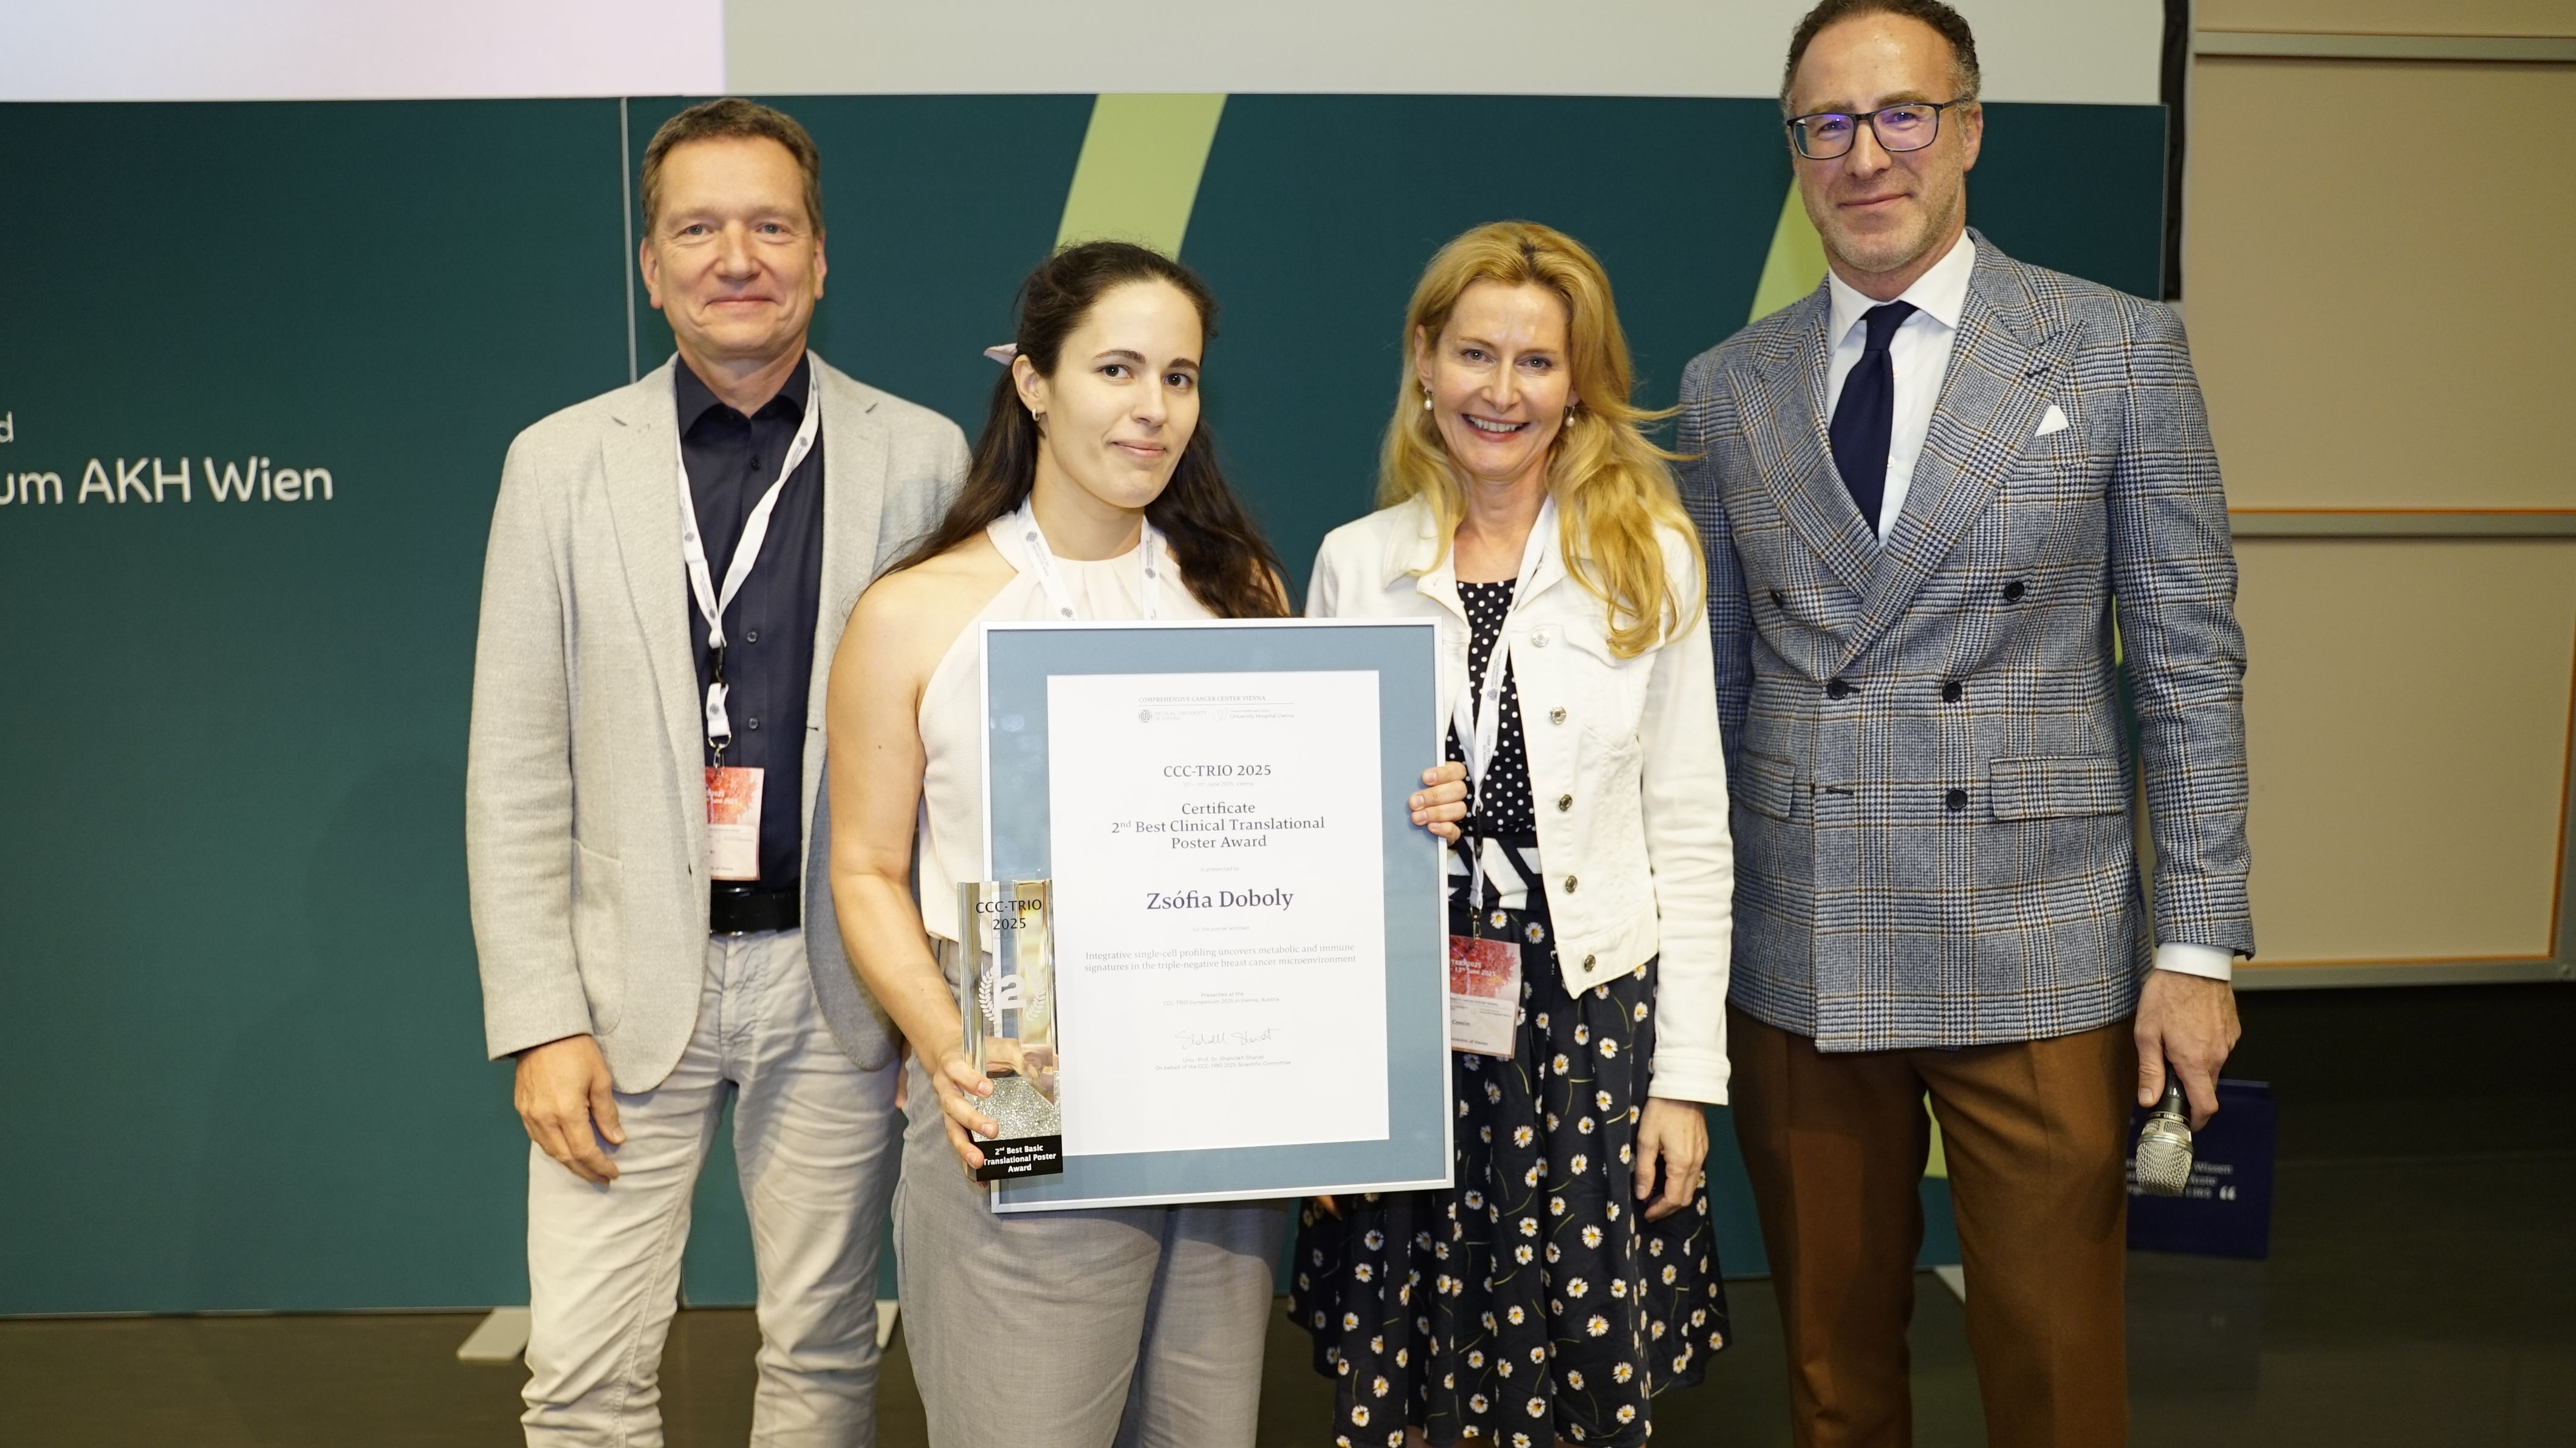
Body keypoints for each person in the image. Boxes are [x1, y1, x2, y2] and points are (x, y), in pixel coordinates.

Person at [1676, 3, 2255, 1444]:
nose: (1864, 156)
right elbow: (1712, 701)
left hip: (2036, 941)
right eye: (1826, 125)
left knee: (2055, 1372)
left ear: (1968, 131)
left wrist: (2192, 946)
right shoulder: (1725, 387)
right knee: (1828, 1375)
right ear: (1792, 153)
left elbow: (2185, 664)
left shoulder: (2112, 349)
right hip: (1801, 944)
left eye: (1901, 115)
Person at [823, 240, 1470, 1447]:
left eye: (1178, 377)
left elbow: (1296, 856)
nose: (1152, 407)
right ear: (1032, 383)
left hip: (1222, 1123)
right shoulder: (916, 611)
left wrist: (1401, 809)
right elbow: (862, 870)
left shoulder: (1239, 590)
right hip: (1023, 1087)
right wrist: (951, 1051)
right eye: (1116, 370)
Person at [465, 98, 968, 1445]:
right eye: (697, 229)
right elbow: (515, 765)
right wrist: (540, 1019)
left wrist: (937, 1004)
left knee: (824, 1358)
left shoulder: (924, 455)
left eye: (769, 226)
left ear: (820, 256)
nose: (735, 257)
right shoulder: (557, 464)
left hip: (840, 985)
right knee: (581, 1377)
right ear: (651, 265)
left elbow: (957, 759)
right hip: (621, 985)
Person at [1295, 220, 1736, 1448]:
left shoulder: (1648, 560)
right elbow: (1314, 847)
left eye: (1536, 362)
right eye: (1474, 354)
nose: (1501, 391)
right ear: (1424, 361)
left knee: (1575, 1375)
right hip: (1413, 1018)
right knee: (1414, 1367)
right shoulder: (1354, 565)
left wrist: (1684, 1082)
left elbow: (1690, 833)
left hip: (1588, 1021)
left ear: (1579, 383)